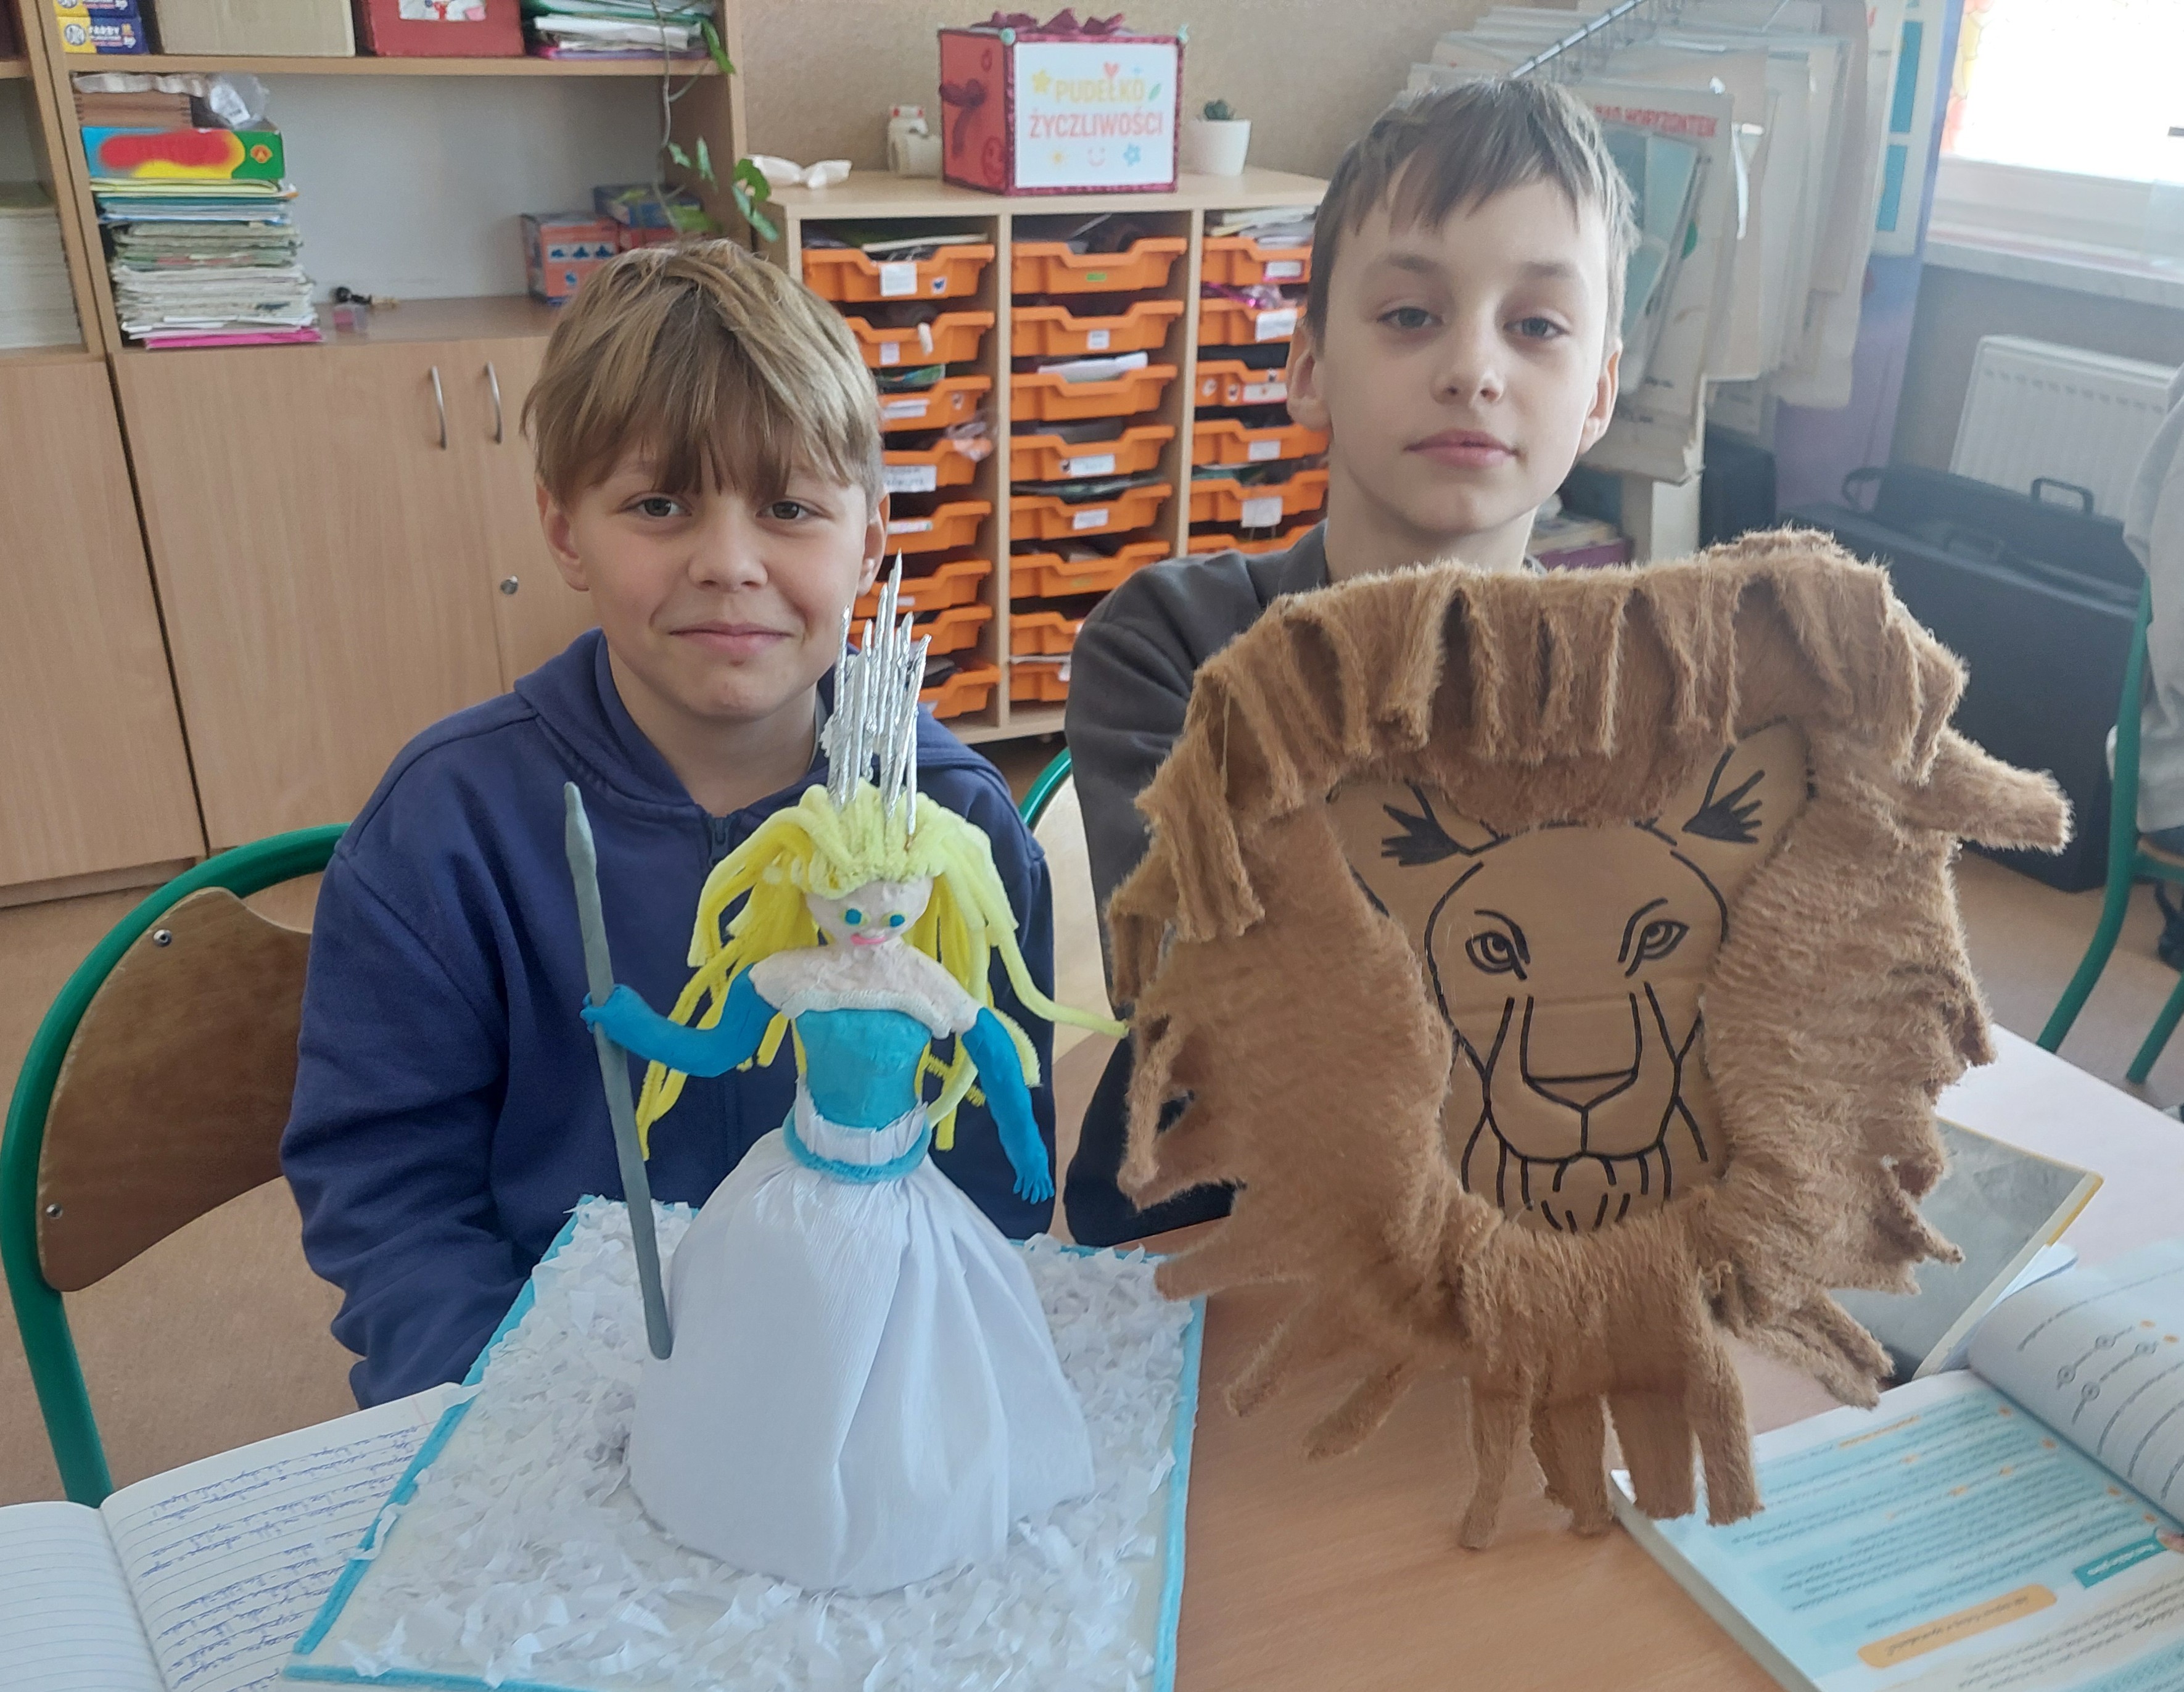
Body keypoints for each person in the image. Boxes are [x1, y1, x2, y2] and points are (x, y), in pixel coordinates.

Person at [282, 241, 1060, 1407]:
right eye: (658, 505)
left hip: (873, 1374)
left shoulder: (954, 824)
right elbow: (387, 1193)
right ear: (565, 532)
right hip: (549, 1378)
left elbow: (998, 1168)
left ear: (870, 539)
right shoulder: (446, 828)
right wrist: (492, 1399)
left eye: (790, 508)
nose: (729, 563)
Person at [1063, 77, 1637, 1245]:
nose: (1472, 368)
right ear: (1309, 365)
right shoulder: (1163, 643)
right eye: (1410, 315)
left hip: (1505, 1236)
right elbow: (1193, 985)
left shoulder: (1632, 691)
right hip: (1200, 1235)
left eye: (1536, 326)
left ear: (1598, 396)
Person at [582, 601, 1114, 1592]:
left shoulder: (924, 986)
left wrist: (1024, 1145)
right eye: (849, 902)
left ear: (928, 888)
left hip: (900, 1191)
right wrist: (633, 1025)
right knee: (769, 1317)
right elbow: (711, 1053)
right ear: (812, 886)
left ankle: (897, 1487)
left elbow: (997, 1055)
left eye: (890, 903)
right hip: (794, 1180)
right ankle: (749, 1473)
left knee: (919, 1340)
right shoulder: (789, 976)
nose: (869, 921)